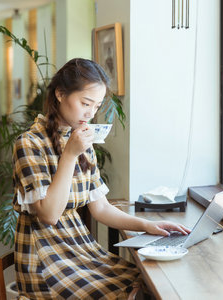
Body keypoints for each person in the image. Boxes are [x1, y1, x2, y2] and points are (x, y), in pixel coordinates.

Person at [12, 58, 191, 299]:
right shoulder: (29, 143)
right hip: (45, 258)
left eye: (96, 107)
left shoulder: (82, 140)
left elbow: (102, 208)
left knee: (147, 280)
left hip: (81, 249)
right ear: (60, 94)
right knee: (124, 291)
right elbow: (49, 215)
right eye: (85, 103)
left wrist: (147, 226)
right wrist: (70, 155)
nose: (90, 113)